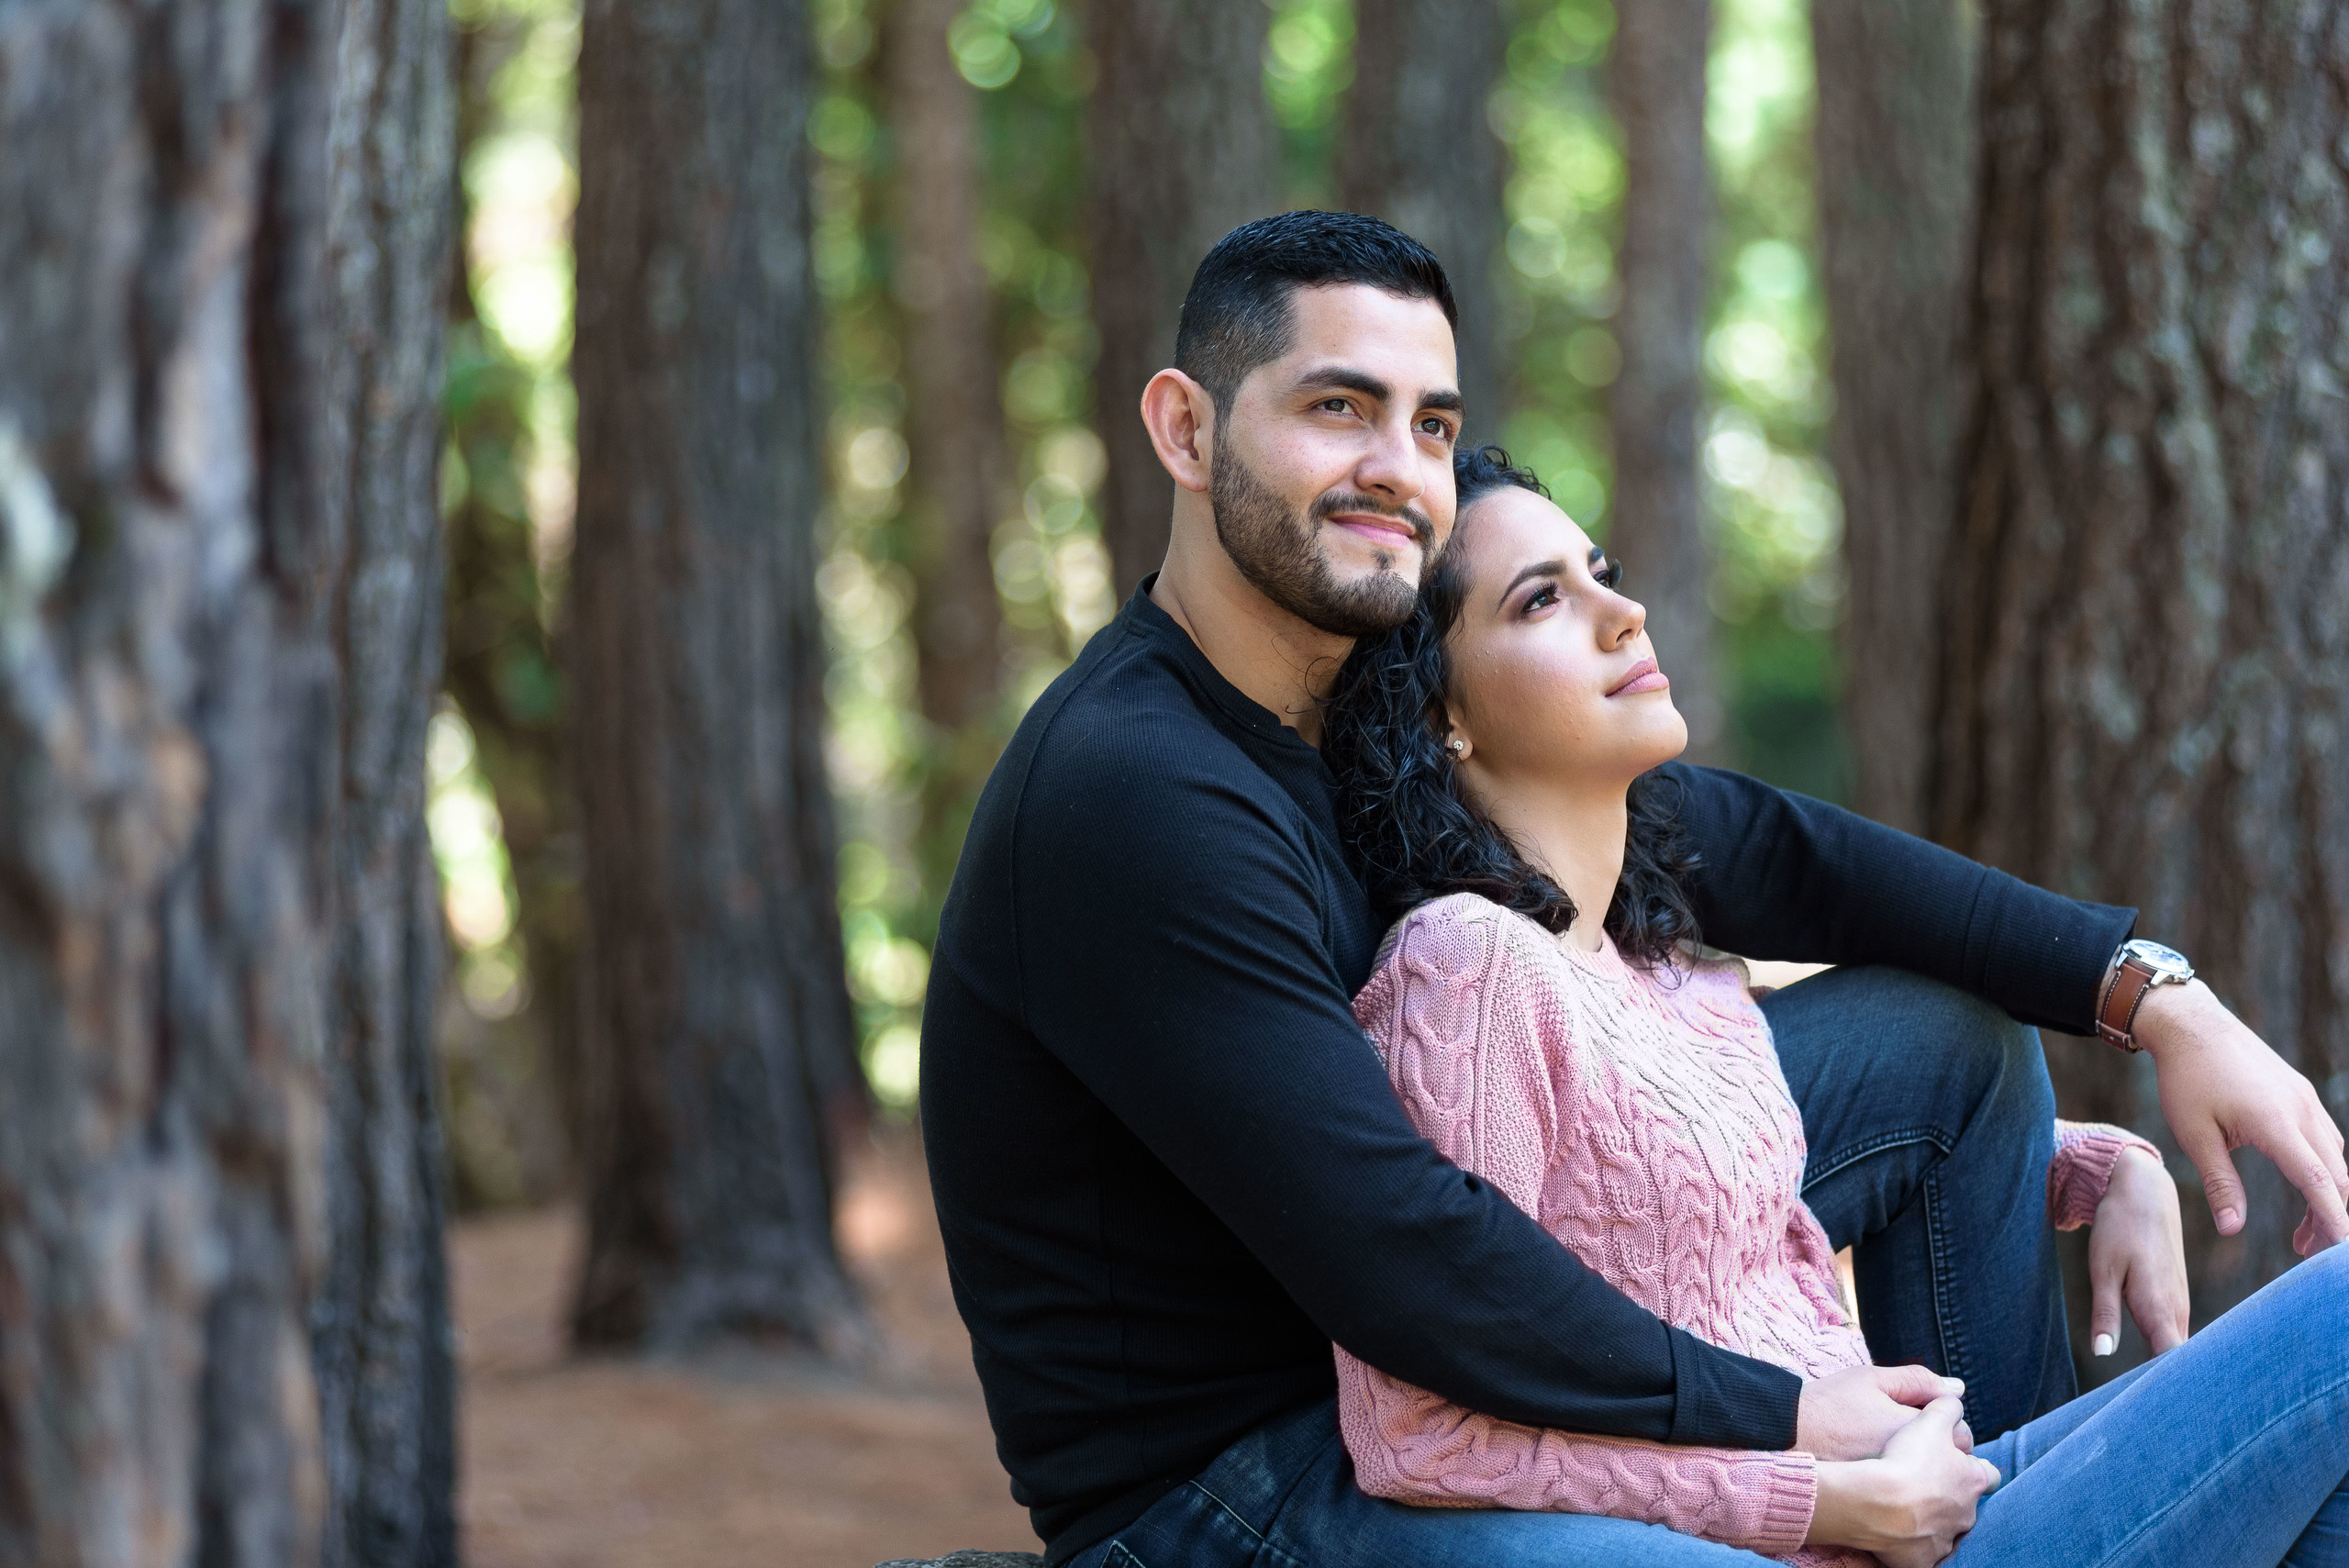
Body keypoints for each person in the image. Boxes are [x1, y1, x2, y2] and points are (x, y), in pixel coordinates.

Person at [918, 211, 2349, 1567]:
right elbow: (1408, 1256)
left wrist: (2150, 1000)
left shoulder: (1350, 705)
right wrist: (1795, 1431)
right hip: (1246, 1482)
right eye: (1335, 408)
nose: (1399, 468)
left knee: (1941, 1049)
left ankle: (1989, 1494)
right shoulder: (1137, 794)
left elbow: (1757, 849)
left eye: (1432, 425)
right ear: (1186, 427)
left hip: (1414, 1362)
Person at [1309, 448, 2349, 1566]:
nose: (1622, 612)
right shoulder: (1466, 967)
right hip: (1848, 1535)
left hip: (1940, 1494)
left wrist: (2094, 1160)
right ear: (1440, 717)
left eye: (1599, 569)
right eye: (1543, 598)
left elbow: (1686, 1206)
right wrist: (1808, 1503)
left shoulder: (1654, 973)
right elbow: (1420, 1433)